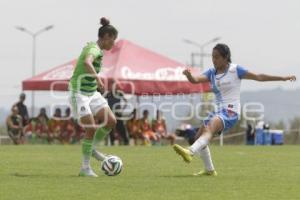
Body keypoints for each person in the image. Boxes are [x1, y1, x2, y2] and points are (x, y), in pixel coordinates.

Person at [173, 43, 296, 176]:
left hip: (230, 112)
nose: (214, 60)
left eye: (217, 57)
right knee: (198, 137)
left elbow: (259, 77)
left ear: (226, 57)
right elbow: (196, 80)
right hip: (218, 111)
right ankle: (209, 170)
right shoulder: (211, 73)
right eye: (212, 57)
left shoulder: (235, 70)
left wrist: (282, 78)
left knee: (209, 128)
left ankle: (190, 152)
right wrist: (189, 76)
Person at [69, 17, 118, 177]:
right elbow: (87, 62)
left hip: (91, 92)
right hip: (79, 93)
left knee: (111, 121)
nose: (114, 43)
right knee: (90, 127)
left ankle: (93, 147)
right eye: (113, 39)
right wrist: (98, 78)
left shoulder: (96, 48)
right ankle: (85, 168)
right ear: (106, 37)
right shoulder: (94, 49)